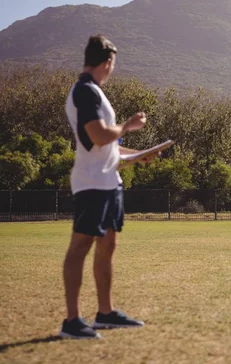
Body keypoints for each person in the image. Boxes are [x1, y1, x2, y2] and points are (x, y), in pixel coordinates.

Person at [61, 35, 155, 339]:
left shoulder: (95, 92)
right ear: (108, 61)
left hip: (108, 181)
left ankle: (104, 313)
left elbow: (106, 147)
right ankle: (72, 321)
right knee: (80, 248)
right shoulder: (86, 91)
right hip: (92, 184)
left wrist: (138, 156)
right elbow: (100, 136)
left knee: (108, 245)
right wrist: (128, 126)